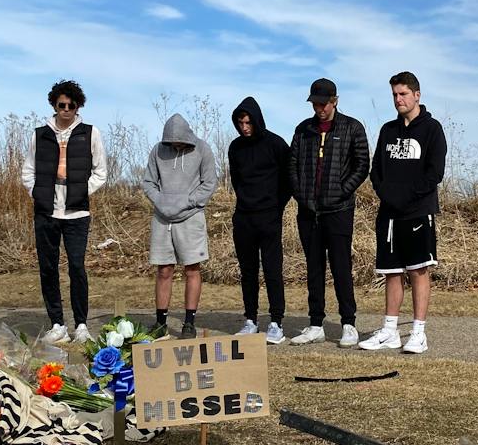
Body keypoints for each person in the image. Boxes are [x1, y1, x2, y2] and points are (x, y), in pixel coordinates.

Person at [359, 71, 447, 354]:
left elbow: (434, 174)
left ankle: (418, 333)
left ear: (417, 95)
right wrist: (387, 195)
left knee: (418, 271)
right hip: (389, 214)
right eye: (395, 95)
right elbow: (376, 170)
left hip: (419, 212)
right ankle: (389, 330)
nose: (398, 99)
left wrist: (407, 197)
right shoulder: (387, 130)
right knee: (392, 272)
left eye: (403, 94)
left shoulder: (432, 129)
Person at [21, 79, 108, 344]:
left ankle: (81, 325)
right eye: (61, 105)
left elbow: (100, 172)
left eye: (71, 105)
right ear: (54, 105)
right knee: (48, 268)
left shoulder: (90, 133)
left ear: (78, 106)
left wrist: (82, 192)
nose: (66, 110)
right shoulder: (40, 134)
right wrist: (38, 193)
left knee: (77, 267)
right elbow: (27, 171)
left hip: (77, 214)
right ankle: (57, 323)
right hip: (46, 211)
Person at [288, 78, 369, 346]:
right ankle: (315, 324)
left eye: (324, 103)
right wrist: (301, 195)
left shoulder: (352, 127)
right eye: (315, 103)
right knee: (313, 269)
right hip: (309, 212)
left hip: (339, 210)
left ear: (335, 101)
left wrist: (342, 190)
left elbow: (362, 165)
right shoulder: (303, 130)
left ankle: (348, 323)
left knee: (341, 267)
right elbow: (292, 165)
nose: (319, 108)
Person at [141, 113, 218, 340]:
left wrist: (188, 201)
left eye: (179, 140)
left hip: (191, 217)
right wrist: (161, 201)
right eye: (171, 140)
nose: (175, 144)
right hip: (162, 219)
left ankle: (189, 323)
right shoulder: (158, 150)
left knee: (192, 269)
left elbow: (209, 183)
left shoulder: (202, 149)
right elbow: (148, 182)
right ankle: (160, 323)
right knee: (164, 270)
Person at [228, 97, 291, 344]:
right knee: (248, 272)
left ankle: (276, 322)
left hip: (269, 217)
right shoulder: (235, 147)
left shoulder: (275, 144)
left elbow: (288, 180)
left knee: (273, 270)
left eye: (248, 122)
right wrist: (245, 201)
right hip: (243, 217)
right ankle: (251, 320)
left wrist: (276, 207)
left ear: (256, 120)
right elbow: (236, 180)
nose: (244, 127)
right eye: (240, 122)